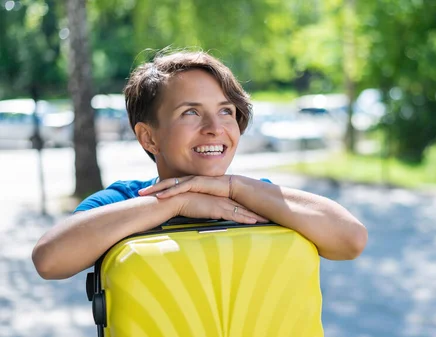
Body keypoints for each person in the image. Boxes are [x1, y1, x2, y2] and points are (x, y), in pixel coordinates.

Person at [31, 50, 368, 280]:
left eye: (226, 111)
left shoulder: (255, 196)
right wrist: (177, 201)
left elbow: (350, 240)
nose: (214, 127)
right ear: (149, 138)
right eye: (190, 112)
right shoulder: (125, 200)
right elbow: (49, 260)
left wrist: (235, 188)